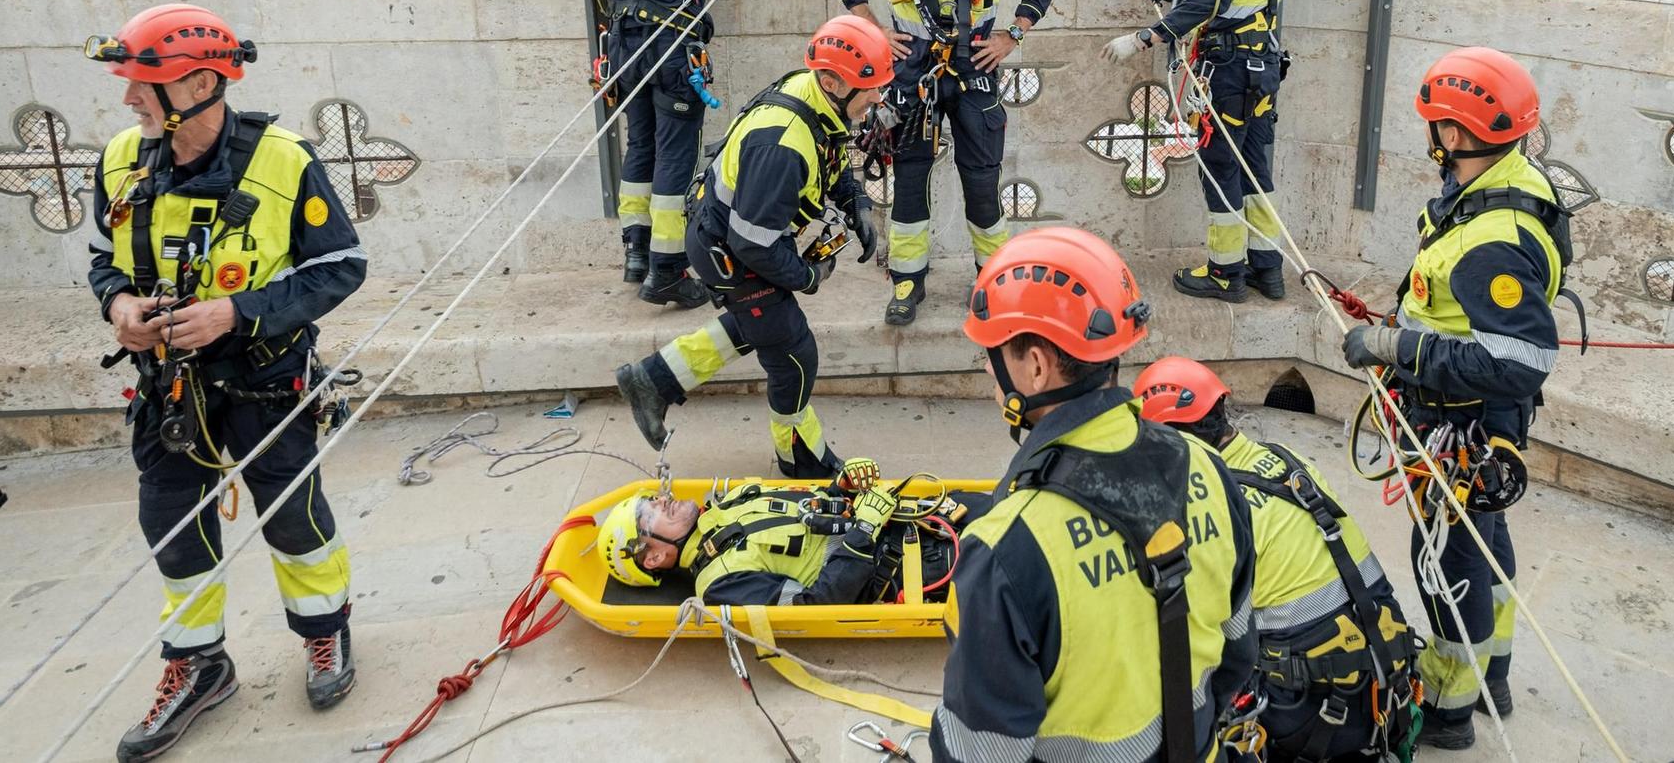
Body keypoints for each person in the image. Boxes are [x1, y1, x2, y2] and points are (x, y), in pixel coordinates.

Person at [84, 4, 369, 761]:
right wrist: (118, 304)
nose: (128, 99)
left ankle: (324, 633)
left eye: (144, 83)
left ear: (203, 82)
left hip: (264, 381)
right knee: (172, 528)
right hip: (167, 390)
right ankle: (199, 663)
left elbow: (339, 266)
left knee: (293, 516)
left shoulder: (282, 161)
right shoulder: (121, 158)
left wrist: (237, 313)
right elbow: (103, 256)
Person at [933, 227, 1258, 763]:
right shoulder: (1209, 467)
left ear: (1035, 366)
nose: (992, 378)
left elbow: (976, 753)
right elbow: (1237, 652)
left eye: (993, 358)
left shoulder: (1005, 548)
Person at [1337, 46, 1567, 751]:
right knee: (1485, 542)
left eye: (1437, 123)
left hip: (1458, 418)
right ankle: (1492, 672)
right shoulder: (1507, 182)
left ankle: (1448, 704)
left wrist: (1395, 349)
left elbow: (1521, 357)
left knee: (1444, 556)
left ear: (1460, 135)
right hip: (1478, 417)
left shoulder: (1491, 241)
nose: (1430, 133)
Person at [613, 15, 893, 478]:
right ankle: (800, 456)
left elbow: (831, 152)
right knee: (793, 354)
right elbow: (754, 245)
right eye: (872, 88)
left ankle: (652, 380)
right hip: (731, 251)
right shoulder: (781, 146)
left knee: (760, 323)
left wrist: (855, 199)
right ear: (832, 80)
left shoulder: (815, 97)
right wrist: (807, 276)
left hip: (733, 233)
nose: (879, 98)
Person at [829, 0, 1057, 326]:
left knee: (982, 183)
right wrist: (872, 28)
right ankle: (908, 281)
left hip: (974, 72)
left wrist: (1012, 36)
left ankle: (993, 279)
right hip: (914, 77)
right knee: (909, 180)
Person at [1137, 357, 1418, 762]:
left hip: (1314, 710)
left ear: (1173, 441)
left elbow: (1197, 632)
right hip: (1386, 679)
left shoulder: (1210, 504)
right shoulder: (1282, 457)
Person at [592, 0, 778, 305]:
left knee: (641, 146)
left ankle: (637, 251)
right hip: (673, 46)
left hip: (624, 44)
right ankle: (668, 270)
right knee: (676, 154)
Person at [1102, 0, 1289, 304]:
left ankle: (1226, 274)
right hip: (1263, 64)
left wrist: (1146, 36)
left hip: (1228, 71)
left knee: (1222, 167)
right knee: (1256, 172)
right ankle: (1268, 270)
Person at [597, 458, 968, 606]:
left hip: (912, 519)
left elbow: (812, 508)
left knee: (999, 504)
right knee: (1011, 552)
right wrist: (865, 529)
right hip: (909, 566)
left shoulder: (732, 502)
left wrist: (842, 486)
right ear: (656, 556)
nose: (662, 501)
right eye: (650, 513)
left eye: (653, 498)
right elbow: (817, 606)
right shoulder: (718, 582)